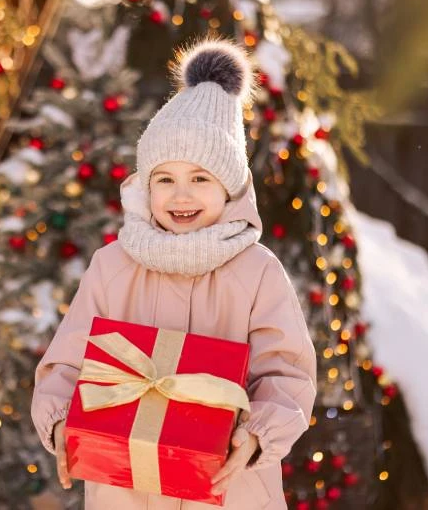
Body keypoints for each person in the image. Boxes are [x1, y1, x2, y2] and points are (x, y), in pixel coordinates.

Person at [30, 37, 317, 509]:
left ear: (228, 188)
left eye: (200, 179)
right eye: (165, 179)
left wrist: (256, 435)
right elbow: (67, 363)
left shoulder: (258, 272)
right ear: (145, 186)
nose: (181, 196)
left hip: (228, 487)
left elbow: (286, 373)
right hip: (124, 487)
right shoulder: (112, 266)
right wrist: (62, 421)